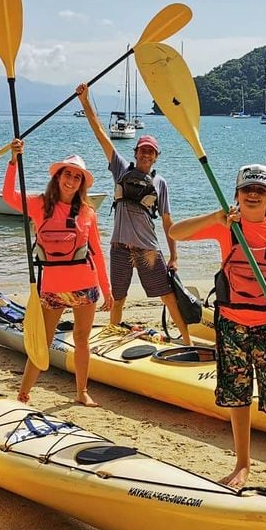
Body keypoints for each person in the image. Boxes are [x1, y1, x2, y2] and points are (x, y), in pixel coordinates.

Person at [169, 164, 266, 498]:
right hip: (231, 327)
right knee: (237, 400)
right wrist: (216, 217)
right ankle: (242, 464)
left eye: (260, 191)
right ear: (235, 195)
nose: (252, 194)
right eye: (247, 189)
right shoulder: (226, 229)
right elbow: (176, 232)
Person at [76, 83, 192, 344]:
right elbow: (100, 135)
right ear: (136, 152)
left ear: (156, 157)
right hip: (119, 247)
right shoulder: (120, 168)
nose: (146, 154)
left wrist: (174, 255)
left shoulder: (160, 183)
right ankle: (112, 336)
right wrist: (85, 102)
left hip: (148, 250)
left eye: (151, 152)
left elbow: (167, 221)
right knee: (118, 297)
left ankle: (187, 339)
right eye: (143, 150)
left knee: (167, 295)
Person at [4, 139, 112, 407]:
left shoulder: (88, 213)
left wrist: (107, 290)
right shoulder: (40, 206)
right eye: (68, 174)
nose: (72, 180)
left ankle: (82, 392)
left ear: (81, 184)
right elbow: (8, 196)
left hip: (85, 287)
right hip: (52, 289)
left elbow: (96, 252)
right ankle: (24, 392)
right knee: (44, 341)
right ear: (58, 177)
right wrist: (13, 161)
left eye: (77, 177)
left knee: (81, 340)